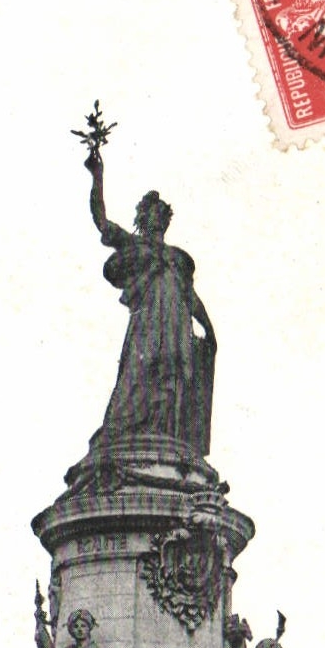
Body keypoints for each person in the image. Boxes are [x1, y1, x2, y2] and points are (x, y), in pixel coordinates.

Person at [84, 146, 217, 456]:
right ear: (143, 217)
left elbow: (190, 296)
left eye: (163, 214)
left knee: (173, 376)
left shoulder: (177, 259)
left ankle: (165, 434)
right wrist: (97, 176)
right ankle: (133, 432)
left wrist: (209, 328)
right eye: (153, 212)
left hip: (175, 323)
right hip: (148, 322)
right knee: (139, 372)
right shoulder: (134, 245)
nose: (159, 218)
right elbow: (101, 221)